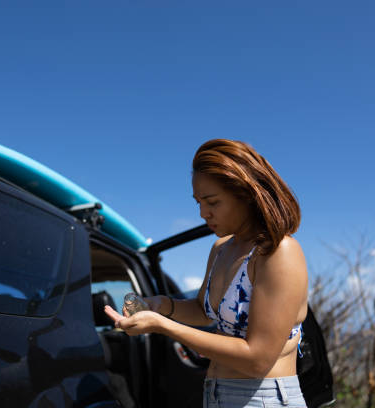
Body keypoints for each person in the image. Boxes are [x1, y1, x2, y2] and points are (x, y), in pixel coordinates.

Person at [104, 139, 308, 408]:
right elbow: (203, 311)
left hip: (265, 399)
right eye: (198, 202)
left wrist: (162, 325)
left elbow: (258, 360)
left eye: (212, 202)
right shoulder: (221, 249)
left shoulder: (278, 252)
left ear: (246, 194)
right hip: (215, 394)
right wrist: (161, 306)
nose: (203, 213)